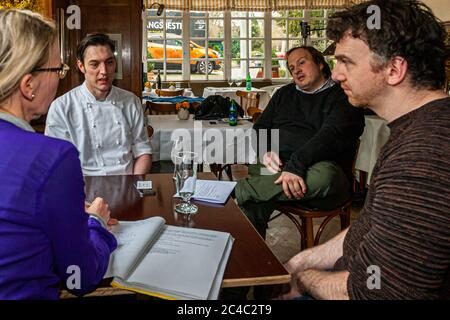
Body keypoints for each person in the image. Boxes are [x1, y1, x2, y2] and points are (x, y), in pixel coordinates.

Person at [279, 0, 450, 300]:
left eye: (347, 62)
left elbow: (378, 291)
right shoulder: (417, 127)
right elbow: (372, 224)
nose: (337, 74)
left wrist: (304, 280)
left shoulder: (423, 155)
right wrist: (302, 261)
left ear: (394, 69)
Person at [0, 9, 117, 299]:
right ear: (29, 85)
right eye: (58, 70)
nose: (60, 79)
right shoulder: (54, 158)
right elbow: (81, 277)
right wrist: (98, 223)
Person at [235, 46, 365, 238]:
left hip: (319, 175)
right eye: (291, 67)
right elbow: (260, 128)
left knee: (325, 176)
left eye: (302, 62)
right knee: (258, 178)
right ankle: (256, 263)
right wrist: (266, 151)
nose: (296, 70)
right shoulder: (283, 94)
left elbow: (331, 135)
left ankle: (240, 190)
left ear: (320, 64)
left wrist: (296, 166)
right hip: (279, 170)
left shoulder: (343, 96)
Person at [45, 33, 152, 176]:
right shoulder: (62, 107)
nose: (104, 71)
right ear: (81, 66)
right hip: (82, 189)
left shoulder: (131, 101)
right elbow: (57, 164)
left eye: (109, 62)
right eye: (95, 64)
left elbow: (143, 151)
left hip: (126, 183)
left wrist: (133, 183)